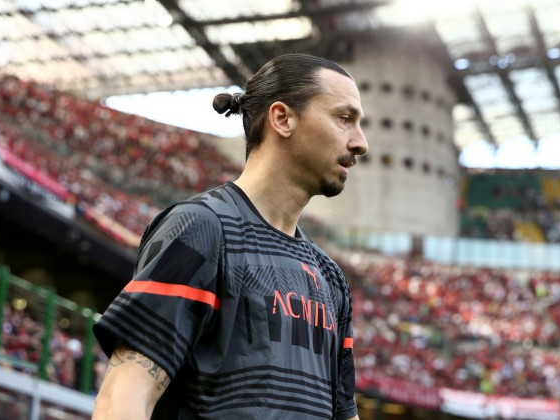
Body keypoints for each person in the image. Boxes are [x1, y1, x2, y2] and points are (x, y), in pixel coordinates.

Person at [92, 53, 368, 420]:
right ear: (282, 119)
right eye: (344, 119)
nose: (360, 142)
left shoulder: (331, 280)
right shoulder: (201, 229)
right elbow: (122, 400)